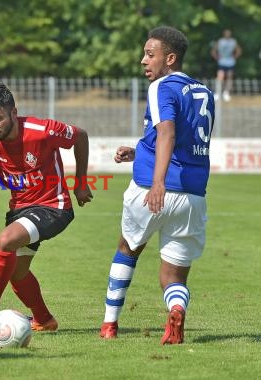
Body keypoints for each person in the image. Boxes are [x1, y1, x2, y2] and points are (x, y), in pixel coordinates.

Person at [0, 82, 93, 332]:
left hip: (54, 206)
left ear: (13, 113)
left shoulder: (42, 130)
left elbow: (81, 136)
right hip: (20, 210)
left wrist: (81, 183)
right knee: (17, 273)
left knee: (6, 240)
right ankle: (44, 319)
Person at [99, 26, 215, 345]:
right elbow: (182, 140)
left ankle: (109, 325)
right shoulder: (205, 91)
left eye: (150, 54)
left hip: (153, 188)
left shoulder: (161, 86)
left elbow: (167, 134)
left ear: (170, 58)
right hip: (193, 194)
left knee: (128, 249)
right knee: (172, 277)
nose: (143, 60)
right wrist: (139, 152)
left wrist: (158, 182)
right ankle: (176, 308)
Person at [210, 29, 241, 102]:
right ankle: (217, 93)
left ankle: (226, 93)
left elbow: (239, 50)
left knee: (229, 77)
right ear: (224, 34)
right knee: (220, 76)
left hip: (230, 62)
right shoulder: (220, 41)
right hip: (222, 61)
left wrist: (234, 57)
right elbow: (213, 51)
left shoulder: (233, 41)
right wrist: (217, 58)